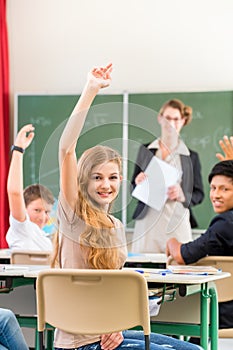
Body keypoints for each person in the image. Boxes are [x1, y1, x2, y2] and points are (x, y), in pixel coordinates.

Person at [51, 63, 202, 350]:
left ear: (121, 180)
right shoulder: (73, 215)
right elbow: (66, 149)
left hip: (108, 331)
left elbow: (112, 289)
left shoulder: (116, 226)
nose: (105, 185)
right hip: (81, 343)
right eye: (97, 177)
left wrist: (117, 324)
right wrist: (90, 90)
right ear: (83, 180)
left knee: (193, 348)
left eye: (111, 177)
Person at [166, 160, 233, 343]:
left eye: (224, 189)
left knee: (165, 311)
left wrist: (171, 242)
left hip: (221, 311)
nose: (216, 195)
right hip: (222, 308)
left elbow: (182, 255)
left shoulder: (225, 224)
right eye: (213, 188)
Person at [131, 99, 204, 253]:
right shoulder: (146, 150)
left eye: (176, 119)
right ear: (160, 118)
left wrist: (182, 194)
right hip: (147, 223)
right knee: (145, 268)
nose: (171, 123)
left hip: (176, 223)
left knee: (177, 269)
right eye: (167, 118)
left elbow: (199, 194)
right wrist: (138, 183)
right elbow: (132, 186)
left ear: (183, 121)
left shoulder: (190, 157)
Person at [6, 124, 54, 251]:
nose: (43, 217)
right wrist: (18, 149)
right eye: (37, 210)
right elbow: (14, 192)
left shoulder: (46, 239)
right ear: (24, 208)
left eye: (47, 212)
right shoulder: (22, 228)